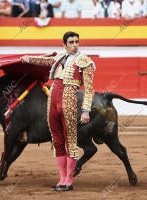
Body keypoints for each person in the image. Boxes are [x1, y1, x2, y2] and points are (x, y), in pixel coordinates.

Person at [21, 31, 96, 191]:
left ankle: (69, 180)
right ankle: (62, 179)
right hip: (52, 101)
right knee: (57, 140)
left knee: (71, 141)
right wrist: (27, 59)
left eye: (77, 41)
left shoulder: (85, 61)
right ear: (64, 44)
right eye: (71, 42)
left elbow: (89, 89)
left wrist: (86, 110)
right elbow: (43, 61)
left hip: (68, 101)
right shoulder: (60, 58)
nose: (75, 45)